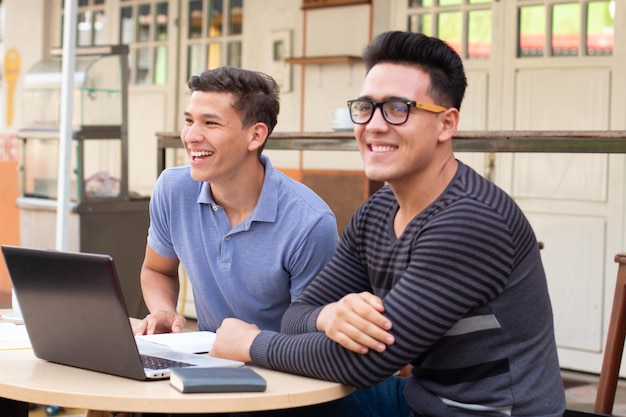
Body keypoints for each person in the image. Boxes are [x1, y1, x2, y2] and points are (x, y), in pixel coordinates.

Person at [210, 31, 566, 416]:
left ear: (446, 124)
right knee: (252, 398)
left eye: (399, 108)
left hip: (483, 412)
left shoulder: (471, 220)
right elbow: (296, 315)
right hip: (418, 401)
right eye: (366, 107)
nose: (375, 125)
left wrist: (250, 343)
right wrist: (328, 315)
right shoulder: (379, 210)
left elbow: (366, 363)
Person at [134, 66, 339, 335]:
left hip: (284, 370)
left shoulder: (310, 223)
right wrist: (163, 310)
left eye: (210, 123)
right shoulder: (173, 189)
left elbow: (315, 331)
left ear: (255, 136)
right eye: (189, 121)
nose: (191, 136)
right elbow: (157, 270)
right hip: (205, 364)